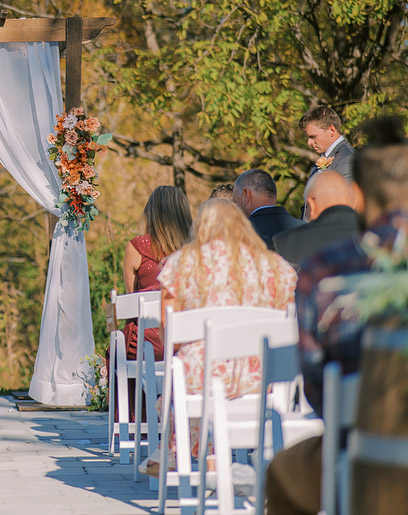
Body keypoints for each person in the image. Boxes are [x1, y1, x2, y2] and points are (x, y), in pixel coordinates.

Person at [265, 119, 408, 515]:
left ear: (357, 195)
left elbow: (315, 381)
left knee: (281, 473)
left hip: (362, 449)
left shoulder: (326, 267)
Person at [158, 198, 296, 457]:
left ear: (201, 227)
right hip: (260, 376)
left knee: (184, 367)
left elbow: (169, 331)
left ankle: (202, 457)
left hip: (201, 375)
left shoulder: (181, 263)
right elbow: (286, 326)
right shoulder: (275, 266)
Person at [121, 185, 193, 364]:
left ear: (151, 213)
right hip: (186, 340)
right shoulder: (196, 250)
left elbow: (132, 298)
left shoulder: (137, 247)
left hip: (144, 347)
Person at [271, 171, 359, 269]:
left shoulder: (285, 244)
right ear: (354, 201)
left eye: (307, 207)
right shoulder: (374, 232)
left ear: (311, 204)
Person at [299, 106, 355, 220]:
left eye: (313, 137)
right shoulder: (320, 161)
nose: (309, 142)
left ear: (331, 130)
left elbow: (339, 207)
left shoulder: (347, 160)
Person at [233, 169, 303, 249]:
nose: (235, 206)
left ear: (246, 195)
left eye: (235, 201)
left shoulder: (239, 234)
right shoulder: (305, 230)